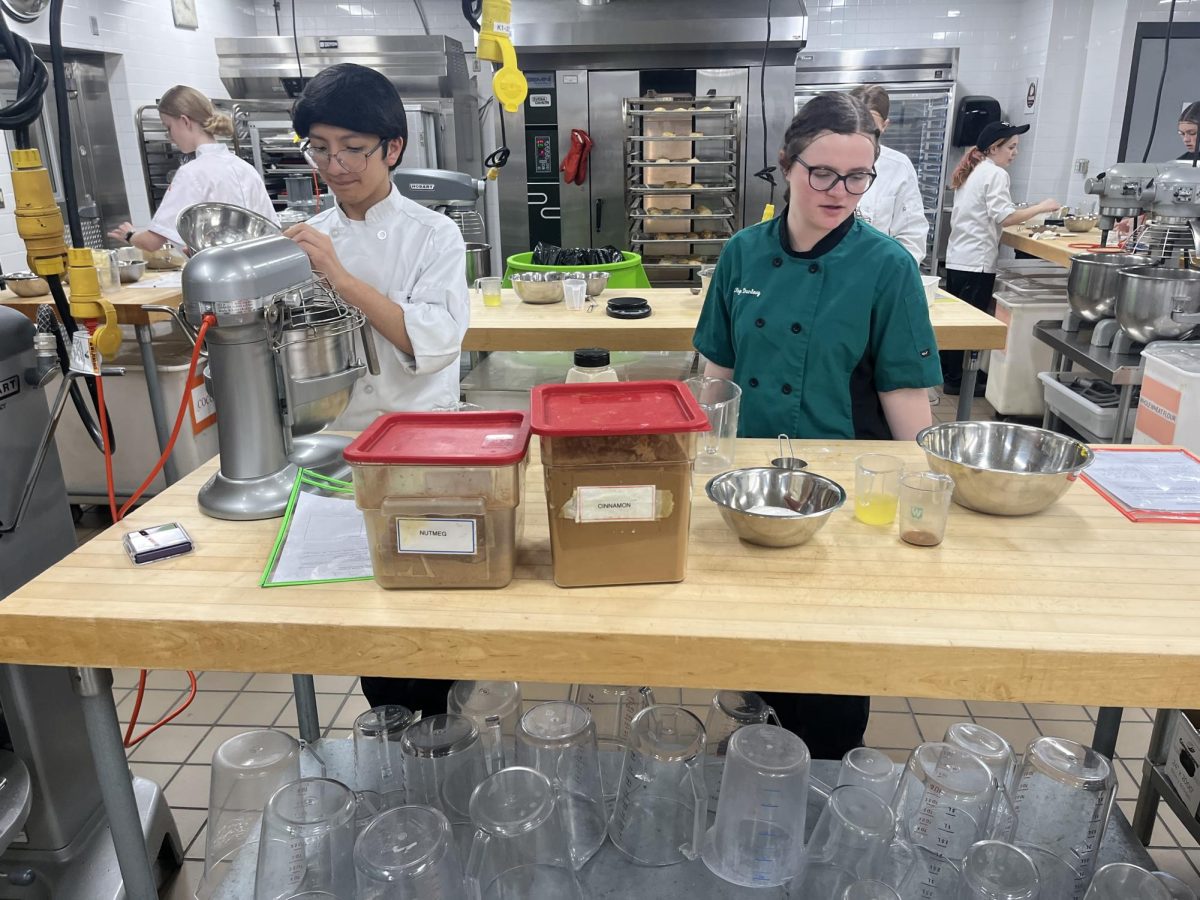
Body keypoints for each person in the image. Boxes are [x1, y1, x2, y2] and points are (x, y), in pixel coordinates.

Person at [693, 92, 943, 759]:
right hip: (748, 490)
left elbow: (907, 401)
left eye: (857, 176)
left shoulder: (886, 267)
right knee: (757, 648)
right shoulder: (742, 255)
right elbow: (715, 377)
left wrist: (927, 496)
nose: (840, 191)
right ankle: (756, 741)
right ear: (787, 164)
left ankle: (824, 774)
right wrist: (701, 461)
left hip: (842, 496)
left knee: (831, 681)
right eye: (822, 173)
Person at [286, 63, 470, 716]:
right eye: (319, 148)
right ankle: (391, 727)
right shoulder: (307, 240)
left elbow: (428, 342)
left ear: (392, 147)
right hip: (338, 449)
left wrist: (336, 275)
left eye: (353, 148)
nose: (335, 165)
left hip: (422, 448)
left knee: (431, 605)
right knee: (368, 612)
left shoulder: (434, 236)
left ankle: (443, 725)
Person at [942, 121, 1058, 396]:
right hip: (976, 261)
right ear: (994, 148)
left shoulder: (975, 170)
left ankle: (951, 375)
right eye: (1011, 147)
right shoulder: (994, 174)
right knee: (969, 325)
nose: (1015, 153)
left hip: (959, 257)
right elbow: (1004, 217)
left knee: (958, 322)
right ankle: (957, 381)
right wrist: (1042, 207)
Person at [108, 86, 277, 250]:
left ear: (185, 121)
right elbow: (273, 229)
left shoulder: (192, 173)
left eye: (168, 127)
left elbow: (152, 242)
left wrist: (130, 234)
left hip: (222, 272)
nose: (171, 137)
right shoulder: (245, 168)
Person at [849, 84, 929, 265]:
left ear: (885, 126)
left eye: (871, 129)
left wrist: (889, 275)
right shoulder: (827, 160)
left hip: (879, 272)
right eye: (854, 126)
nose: (861, 136)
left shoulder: (898, 167)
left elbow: (912, 235)